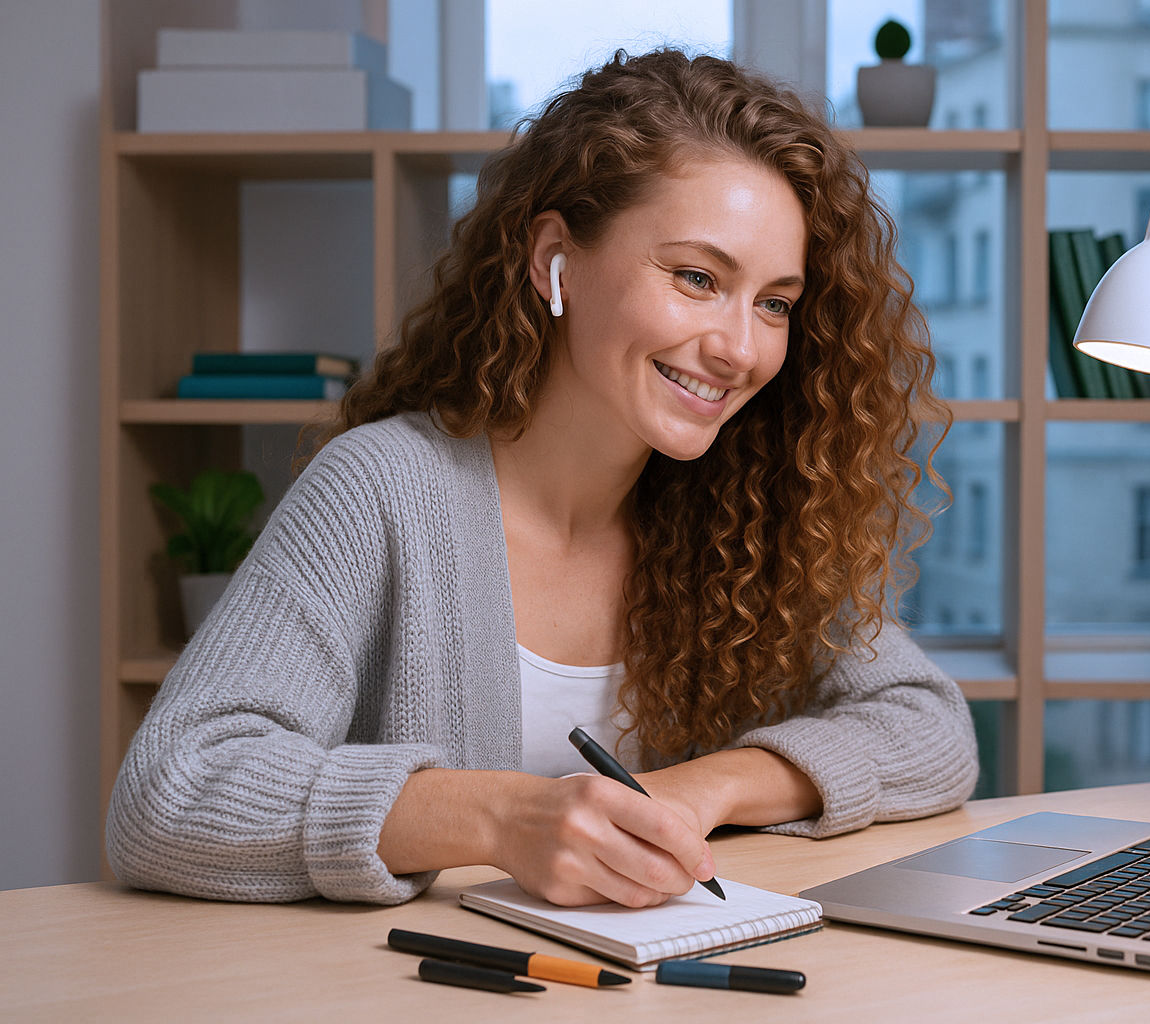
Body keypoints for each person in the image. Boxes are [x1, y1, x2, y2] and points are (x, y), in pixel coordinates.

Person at [106, 48, 978, 908]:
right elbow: (171, 791)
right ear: (553, 258)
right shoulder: (382, 490)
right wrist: (502, 819)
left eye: (774, 303)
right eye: (696, 278)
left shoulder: (740, 513)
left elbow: (929, 728)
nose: (741, 348)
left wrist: (705, 788)